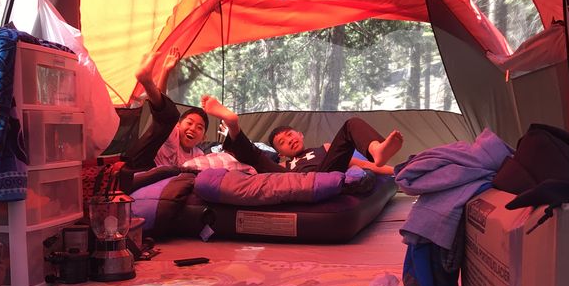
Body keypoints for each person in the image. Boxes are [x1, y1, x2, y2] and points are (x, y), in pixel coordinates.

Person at [200, 95, 403, 175]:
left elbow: (363, 166)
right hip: (294, 179)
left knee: (351, 124)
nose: (289, 140)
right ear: (279, 152)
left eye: (290, 135)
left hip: (324, 174)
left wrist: (398, 171)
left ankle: (376, 149)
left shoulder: (324, 149)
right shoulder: (283, 165)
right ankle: (233, 125)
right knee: (256, 157)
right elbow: (255, 167)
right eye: (282, 142)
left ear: (300, 135)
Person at [121, 49, 209, 171]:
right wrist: (165, 71)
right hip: (140, 166)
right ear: (178, 126)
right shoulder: (173, 135)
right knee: (169, 118)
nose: (193, 129)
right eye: (189, 123)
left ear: (204, 138)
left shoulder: (198, 155)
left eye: (199, 127)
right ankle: (147, 81)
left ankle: (147, 81)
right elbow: (163, 112)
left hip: (163, 182)